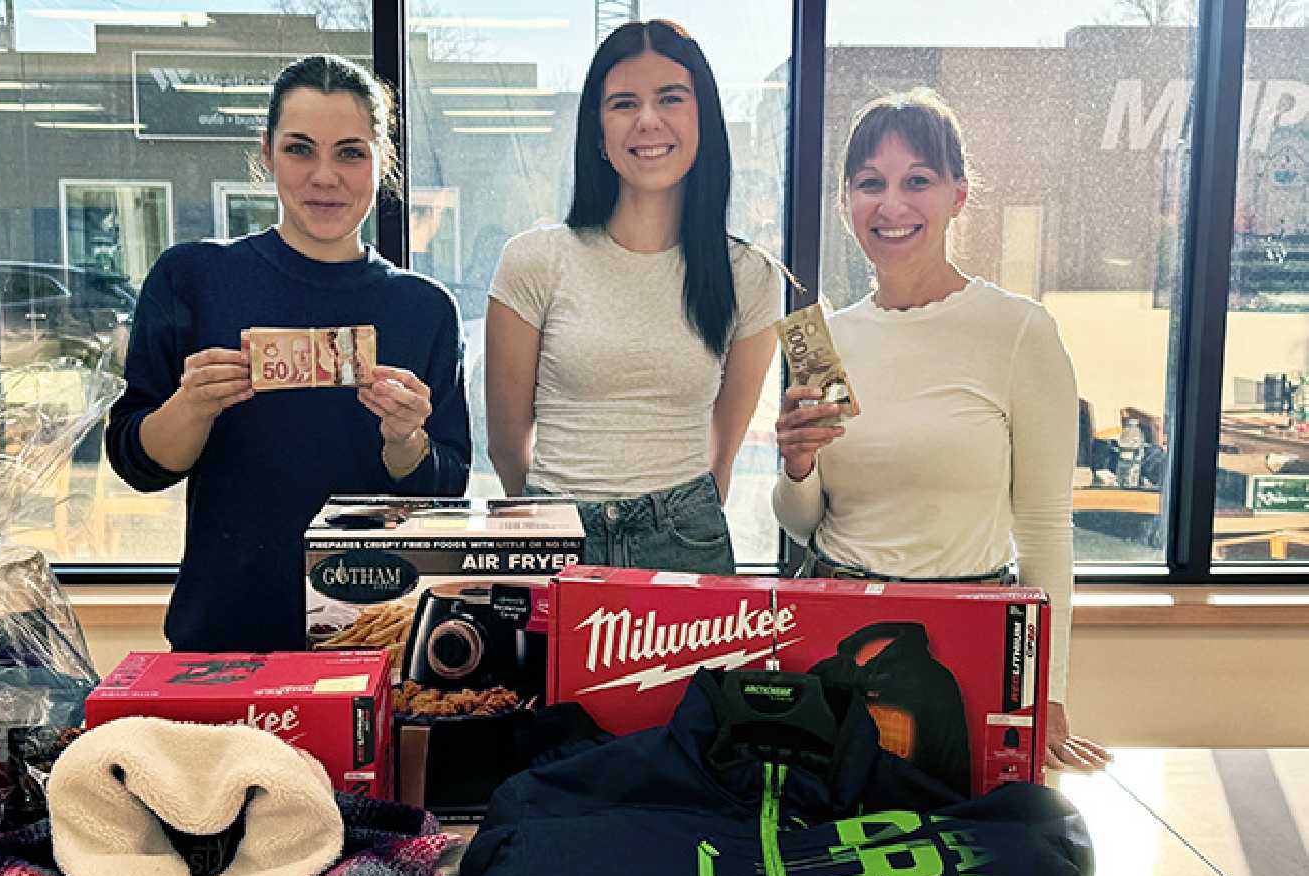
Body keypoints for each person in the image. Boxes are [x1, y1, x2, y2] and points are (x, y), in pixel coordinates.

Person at [771, 89, 1108, 772]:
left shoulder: (1019, 332)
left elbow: (1045, 528)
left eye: (916, 181)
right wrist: (797, 469)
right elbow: (805, 523)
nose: (891, 206)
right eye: (871, 184)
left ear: (958, 194)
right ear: (845, 202)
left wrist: (1050, 691)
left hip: (970, 639)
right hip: (839, 636)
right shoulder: (823, 339)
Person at [106, 54, 470, 653]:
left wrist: (406, 442)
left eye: (350, 152)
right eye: (301, 149)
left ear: (382, 162)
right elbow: (137, 463)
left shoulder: (424, 309)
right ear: (267, 152)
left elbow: (446, 492)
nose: (325, 176)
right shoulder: (194, 278)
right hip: (223, 641)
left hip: (375, 644)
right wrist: (191, 408)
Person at [484, 19, 781, 574]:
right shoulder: (534, 260)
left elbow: (725, 449)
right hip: (554, 533)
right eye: (623, 103)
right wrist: (557, 514)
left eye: (671, 97)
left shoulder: (750, 275)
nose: (648, 120)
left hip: (686, 535)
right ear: (597, 132)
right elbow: (505, 441)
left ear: (703, 119)